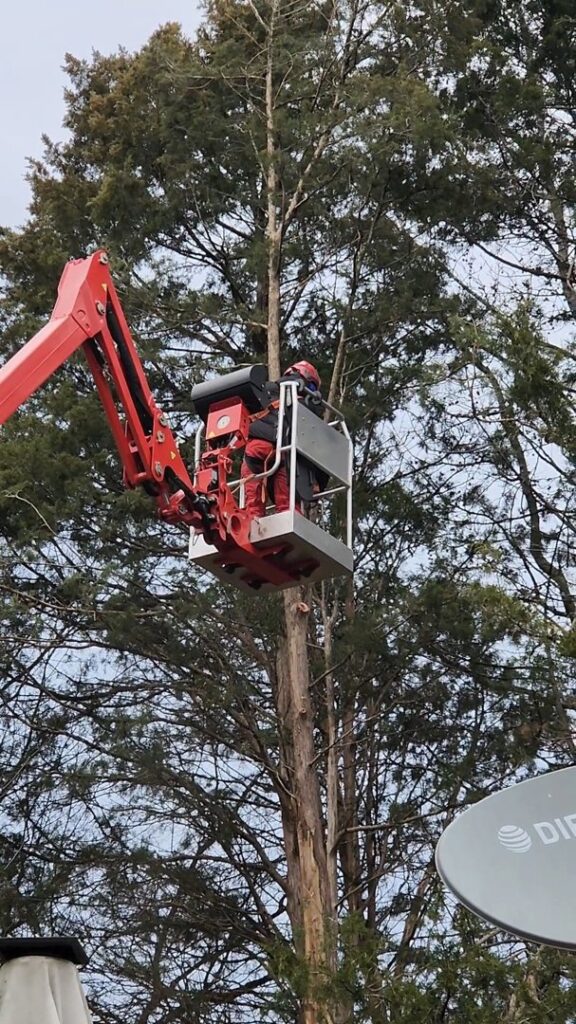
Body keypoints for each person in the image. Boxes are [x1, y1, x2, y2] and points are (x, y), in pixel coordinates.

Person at [241, 361, 326, 518]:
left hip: (253, 451)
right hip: (282, 451)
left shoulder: (265, 390)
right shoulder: (305, 400)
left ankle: (252, 520)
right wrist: (316, 484)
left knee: (253, 506)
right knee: (287, 505)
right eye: (312, 387)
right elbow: (316, 444)